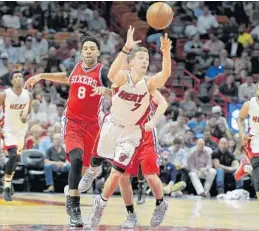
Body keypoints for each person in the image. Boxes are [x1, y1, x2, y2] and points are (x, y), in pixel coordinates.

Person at [84, 26, 172, 229]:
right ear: (131, 62)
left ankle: (101, 204)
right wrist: (126, 48)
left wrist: (166, 52)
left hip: (134, 132)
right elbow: (112, 75)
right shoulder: (123, 77)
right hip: (113, 126)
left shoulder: (149, 84)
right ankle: (109, 197)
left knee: (121, 173)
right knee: (107, 167)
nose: (145, 62)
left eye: (147, 60)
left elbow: (165, 74)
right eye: (141, 58)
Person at [24, 35, 111, 227]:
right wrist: (41, 76)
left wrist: (106, 91)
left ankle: (69, 192)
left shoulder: (102, 71)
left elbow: (116, 90)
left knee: (88, 171)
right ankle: (75, 209)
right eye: (85, 48)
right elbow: (66, 78)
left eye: (92, 48)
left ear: (97, 52)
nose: (88, 51)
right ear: (82, 52)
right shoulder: (76, 67)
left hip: (93, 127)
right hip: (72, 122)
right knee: (76, 159)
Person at [0, 71, 32, 201]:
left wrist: (25, 117)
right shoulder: (5, 94)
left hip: (21, 131)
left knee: (16, 159)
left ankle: (7, 180)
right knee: (12, 155)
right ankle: (6, 186)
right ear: (12, 81)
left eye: (20, 77)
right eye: (16, 77)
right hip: (8, 129)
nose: (19, 78)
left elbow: (28, 112)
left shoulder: (28, 94)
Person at [235, 84, 259, 199]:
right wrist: (242, 133)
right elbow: (239, 118)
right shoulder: (249, 104)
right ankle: (248, 168)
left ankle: (246, 167)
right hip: (255, 141)